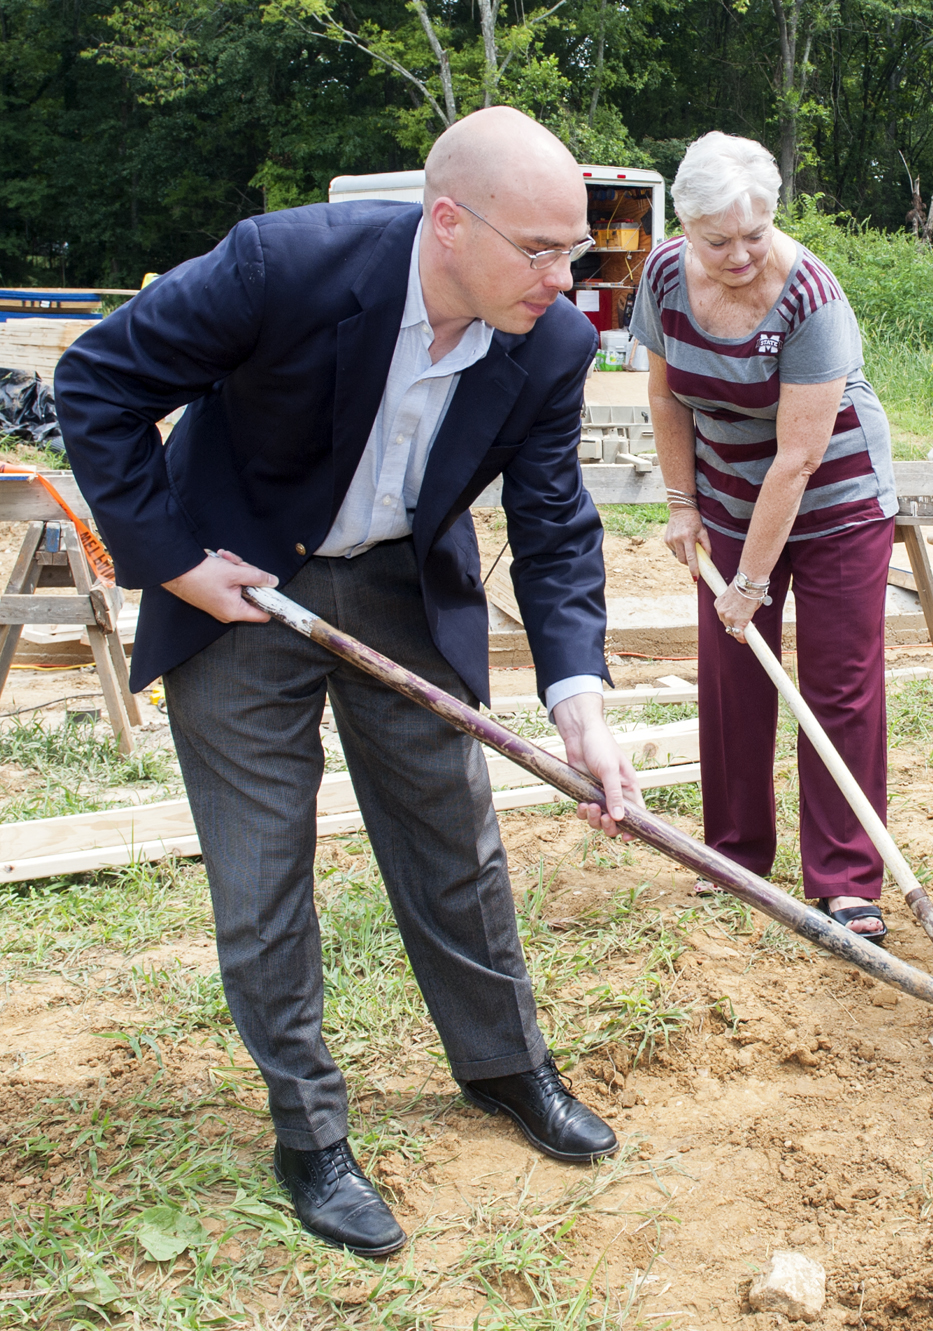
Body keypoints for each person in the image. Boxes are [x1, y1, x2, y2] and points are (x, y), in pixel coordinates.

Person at [55, 107, 639, 1257]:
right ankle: (310, 1134)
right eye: (538, 250)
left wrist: (579, 697)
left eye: (573, 251)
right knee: (263, 865)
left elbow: (557, 524)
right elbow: (96, 383)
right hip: (240, 582)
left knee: (453, 835)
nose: (561, 280)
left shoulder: (550, 343)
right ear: (447, 221)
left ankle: (504, 1064)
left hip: (398, 588)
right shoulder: (284, 266)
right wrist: (173, 561)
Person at [630, 132, 899, 940]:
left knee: (838, 684)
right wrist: (683, 503)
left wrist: (751, 582)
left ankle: (847, 878)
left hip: (833, 497)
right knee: (732, 674)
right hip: (728, 493)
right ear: (687, 224)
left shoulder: (811, 298)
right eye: (719, 240)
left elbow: (800, 456)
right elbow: (667, 394)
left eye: (756, 233)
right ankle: (736, 855)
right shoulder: (665, 274)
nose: (740, 254)